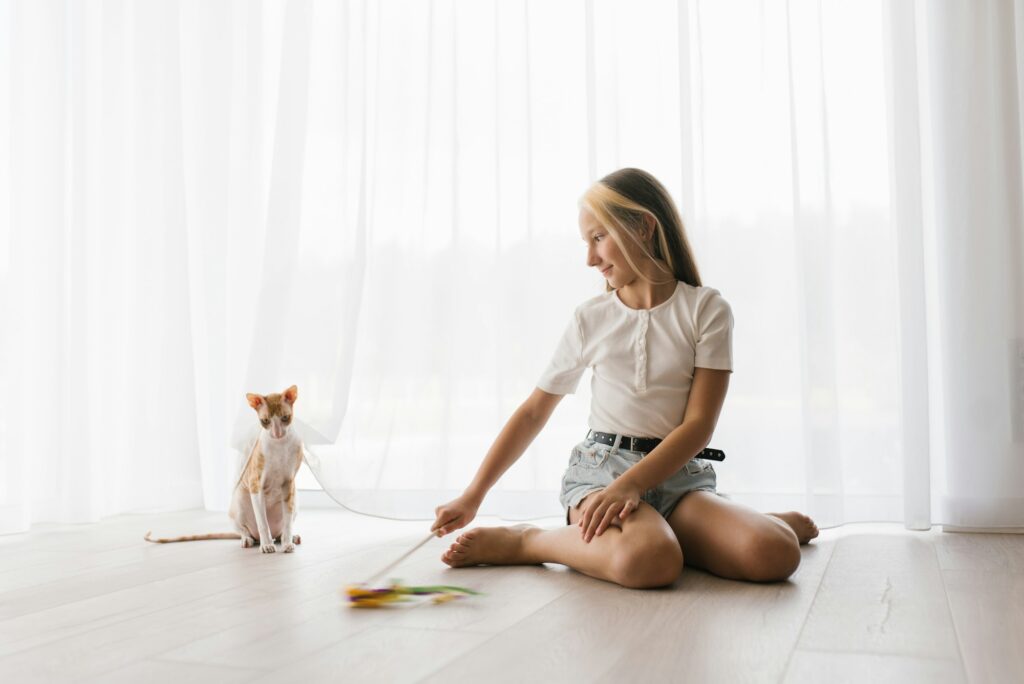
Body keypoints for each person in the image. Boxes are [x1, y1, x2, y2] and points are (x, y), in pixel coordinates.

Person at [430, 168, 818, 588]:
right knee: (650, 560)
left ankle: (730, 530)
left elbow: (698, 426)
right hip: (602, 474)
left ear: (644, 226)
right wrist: (473, 495)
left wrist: (635, 485)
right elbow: (532, 413)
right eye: (586, 243)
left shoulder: (706, 310)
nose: (590, 259)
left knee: (775, 554)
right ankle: (531, 541)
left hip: (679, 480)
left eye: (599, 238)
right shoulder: (590, 319)